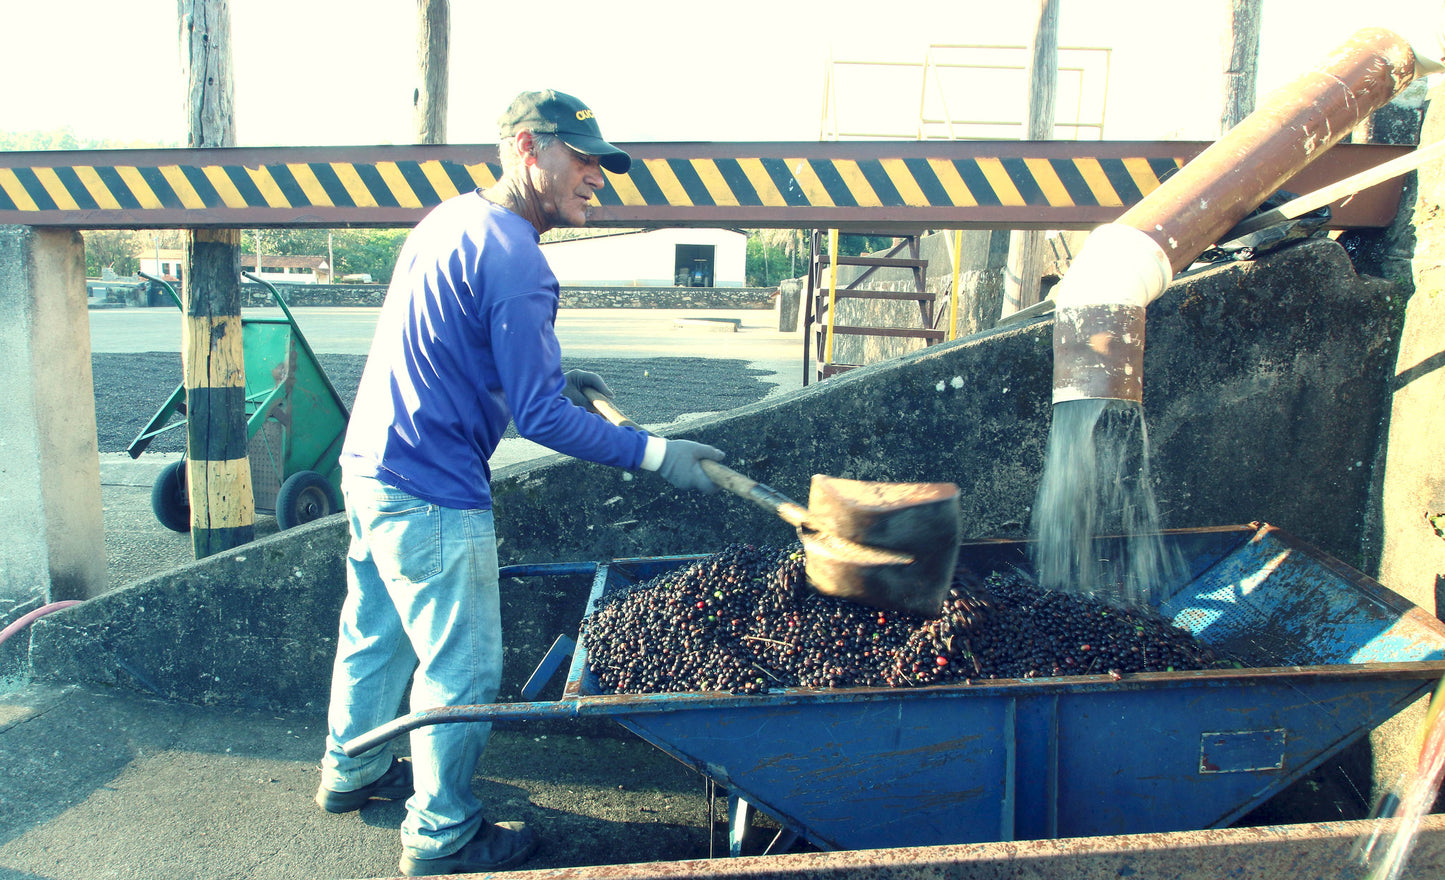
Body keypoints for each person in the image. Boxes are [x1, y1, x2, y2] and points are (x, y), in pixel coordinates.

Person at [313, 89, 725, 876]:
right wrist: (654, 453)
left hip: (370, 465)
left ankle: (350, 770)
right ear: (529, 148)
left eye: (602, 166)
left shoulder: (450, 221)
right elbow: (540, 422)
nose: (596, 178)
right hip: (431, 486)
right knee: (460, 669)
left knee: (374, 632)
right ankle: (441, 837)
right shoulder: (519, 260)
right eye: (582, 160)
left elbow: (457, 345)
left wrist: (553, 374)